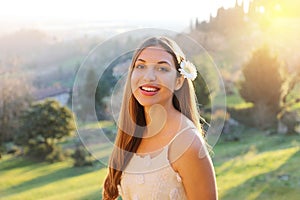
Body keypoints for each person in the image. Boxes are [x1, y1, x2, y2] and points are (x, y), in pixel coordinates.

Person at [103, 36, 218, 200]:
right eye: (141, 66)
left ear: (179, 81)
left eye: (162, 68)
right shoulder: (135, 134)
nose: (148, 77)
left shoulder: (187, 143)